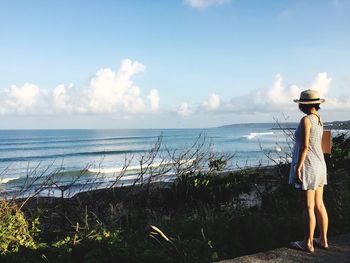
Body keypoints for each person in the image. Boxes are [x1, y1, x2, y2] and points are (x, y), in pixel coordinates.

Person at [289, 89, 329, 253]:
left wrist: (298, 168)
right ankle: (323, 240)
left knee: (308, 207)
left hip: (309, 165)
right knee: (319, 204)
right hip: (320, 165)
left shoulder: (305, 120)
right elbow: (319, 142)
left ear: (303, 105)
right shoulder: (319, 119)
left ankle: (308, 243)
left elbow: (305, 146)